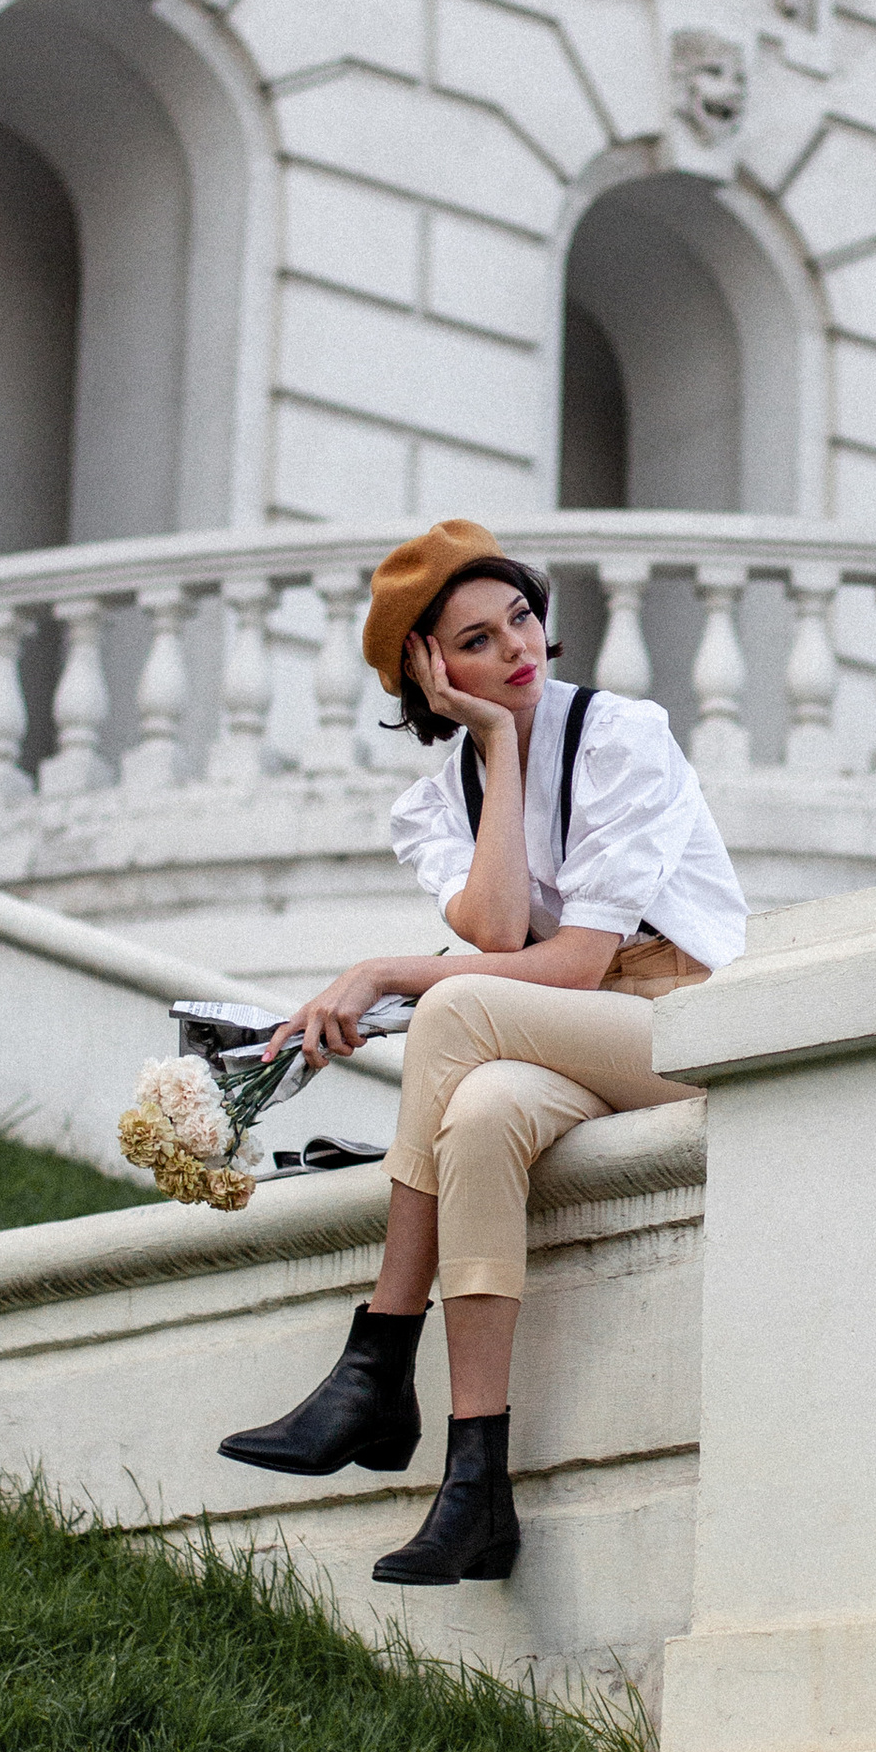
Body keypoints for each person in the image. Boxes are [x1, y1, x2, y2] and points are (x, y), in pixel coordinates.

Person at [217, 518, 749, 1583]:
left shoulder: (619, 735)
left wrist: (384, 973)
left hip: (691, 1028)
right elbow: (503, 936)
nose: (516, 648)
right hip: (569, 1040)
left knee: (453, 1018)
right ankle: (476, 1488)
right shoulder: (433, 807)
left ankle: (376, 1362)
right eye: (475, 639)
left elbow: (572, 961)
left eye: (521, 616)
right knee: (482, 1113)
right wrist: (499, 748)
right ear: (428, 676)